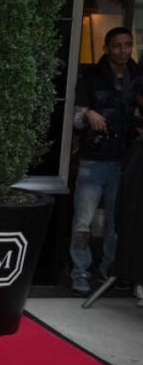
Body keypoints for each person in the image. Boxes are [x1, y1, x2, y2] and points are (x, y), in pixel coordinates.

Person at [69, 27, 141, 295]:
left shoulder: (138, 77)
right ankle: (80, 271)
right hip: (93, 159)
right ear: (106, 48)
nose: (123, 51)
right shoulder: (91, 75)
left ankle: (110, 269)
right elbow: (76, 120)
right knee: (84, 221)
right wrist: (89, 114)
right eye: (117, 46)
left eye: (128, 45)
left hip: (124, 160)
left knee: (116, 222)